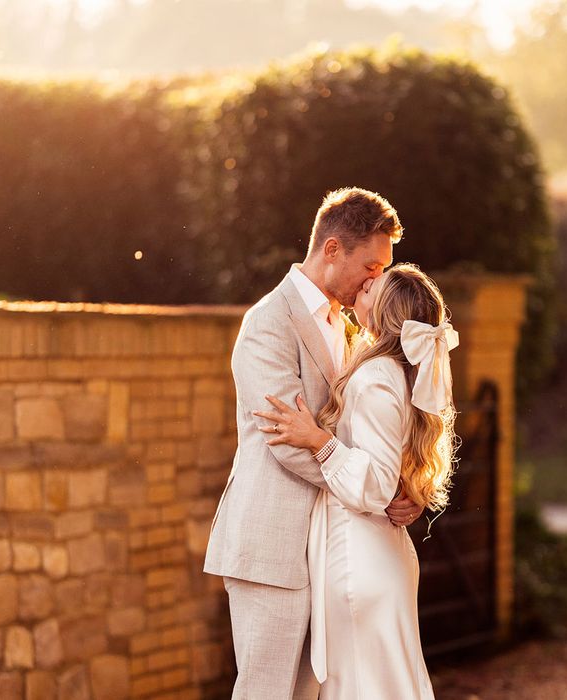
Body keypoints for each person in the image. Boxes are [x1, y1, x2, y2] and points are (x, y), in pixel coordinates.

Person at [203, 188, 425, 699]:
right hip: (272, 546)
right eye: (370, 265)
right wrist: (377, 492)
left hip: (326, 553)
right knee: (267, 692)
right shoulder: (266, 324)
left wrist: (399, 482)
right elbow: (285, 439)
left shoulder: (347, 330)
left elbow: (360, 433)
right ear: (331, 250)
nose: (376, 280)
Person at [255, 263, 459, 698]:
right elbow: (391, 467)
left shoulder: (374, 377)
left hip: (359, 561)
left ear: (384, 310)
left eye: (373, 287)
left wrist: (317, 440)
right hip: (374, 556)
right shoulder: (393, 370)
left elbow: (377, 484)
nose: (364, 284)